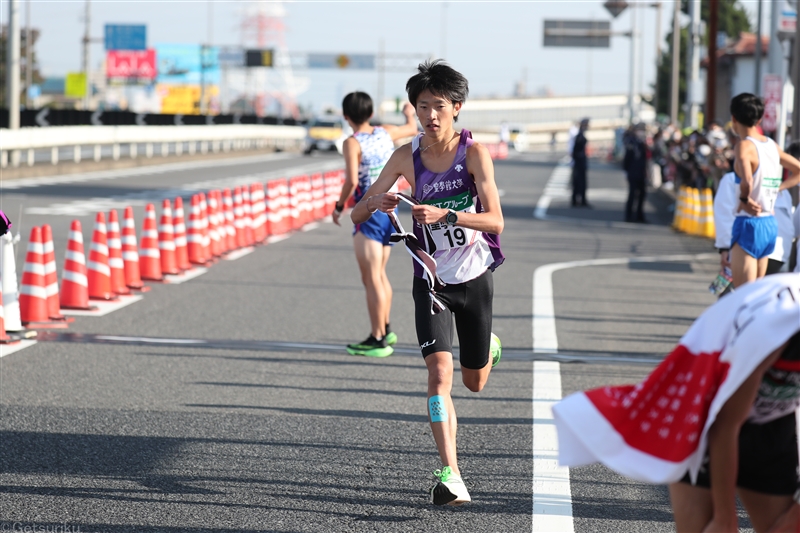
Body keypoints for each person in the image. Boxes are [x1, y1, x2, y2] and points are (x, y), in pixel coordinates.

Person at [350, 60, 505, 506]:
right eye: (423, 107)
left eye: (439, 106)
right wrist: (376, 201)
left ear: (457, 108)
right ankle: (450, 473)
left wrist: (447, 215)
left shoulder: (473, 155)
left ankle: (488, 346)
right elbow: (360, 211)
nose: (431, 116)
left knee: (474, 381)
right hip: (430, 279)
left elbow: (495, 221)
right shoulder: (406, 156)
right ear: (413, 110)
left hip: (473, 277)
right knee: (439, 374)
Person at [553, 274, 800, 533]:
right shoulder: (769, 333)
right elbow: (725, 427)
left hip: (771, 417)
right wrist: (725, 518)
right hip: (704, 411)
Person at [332, 92, 418, 358]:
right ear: (370, 114)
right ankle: (386, 327)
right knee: (379, 274)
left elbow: (351, 182)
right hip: (390, 209)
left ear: (346, 116)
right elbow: (412, 129)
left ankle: (378, 338)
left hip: (368, 209)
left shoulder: (352, 142)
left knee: (371, 279)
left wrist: (338, 206)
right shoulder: (384, 132)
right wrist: (407, 114)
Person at [729, 93, 800, 288]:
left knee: (743, 297)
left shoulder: (743, 146)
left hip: (748, 222)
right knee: (755, 296)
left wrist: (744, 198)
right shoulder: (771, 146)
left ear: (733, 118)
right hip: (770, 223)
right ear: (759, 119)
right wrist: (778, 188)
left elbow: (747, 181)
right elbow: (798, 170)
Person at [623, 123, 649, 223]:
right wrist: (626, 170)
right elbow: (627, 158)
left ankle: (639, 215)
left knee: (642, 194)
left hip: (641, 173)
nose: (642, 132)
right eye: (640, 130)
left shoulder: (641, 142)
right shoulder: (631, 142)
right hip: (633, 173)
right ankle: (629, 215)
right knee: (632, 194)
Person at [571, 118, 590, 207]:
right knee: (579, 182)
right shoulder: (579, 135)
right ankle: (577, 200)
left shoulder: (580, 134)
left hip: (580, 162)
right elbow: (575, 150)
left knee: (580, 182)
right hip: (579, 163)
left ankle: (580, 200)